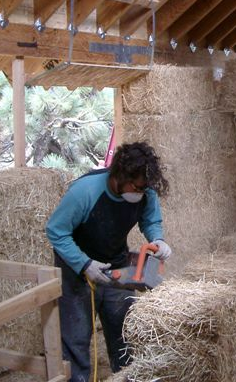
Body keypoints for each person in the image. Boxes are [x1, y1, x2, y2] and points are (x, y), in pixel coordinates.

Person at [46, 142, 171, 381]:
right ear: (119, 176)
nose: (140, 192)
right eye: (136, 186)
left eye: (144, 188)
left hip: (117, 264)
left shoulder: (144, 191)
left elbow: (150, 219)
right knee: (76, 338)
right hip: (77, 269)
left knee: (124, 333)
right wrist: (84, 264)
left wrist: (157, 238)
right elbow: (56, 231)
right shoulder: (85, 192)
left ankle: (126, 377)